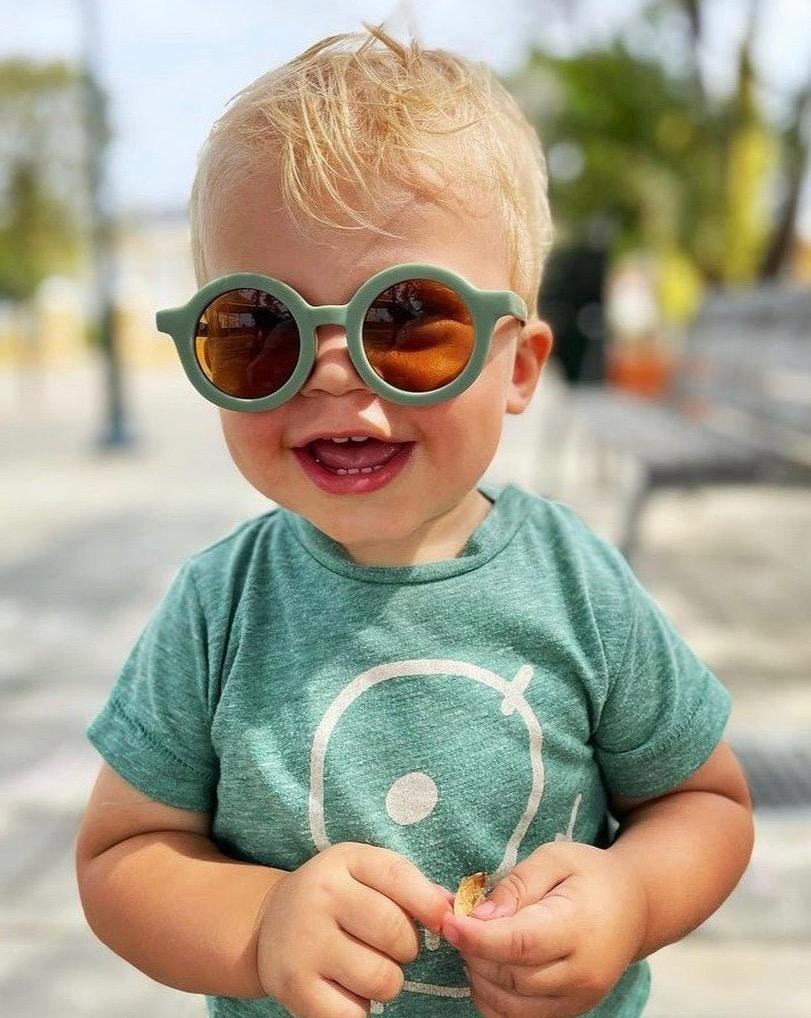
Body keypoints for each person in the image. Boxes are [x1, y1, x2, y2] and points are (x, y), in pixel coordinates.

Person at [75, 22, 754, 1018]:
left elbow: (705, 804)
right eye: (262, 330)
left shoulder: (576, 585)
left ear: (517, 365)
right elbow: (123, 855)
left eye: (406, 323)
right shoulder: (219, 608)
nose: (336, 374)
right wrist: (261, 924)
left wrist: (631, 894)